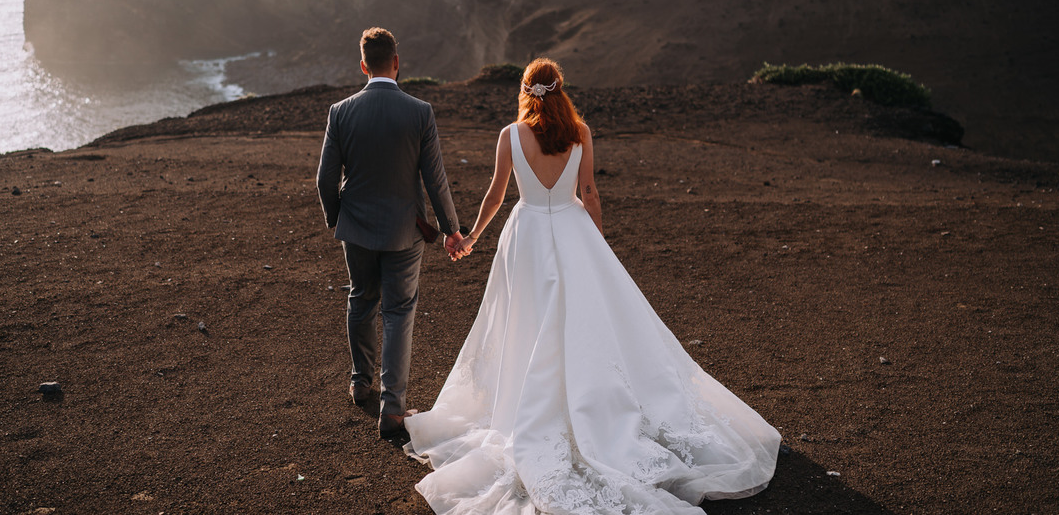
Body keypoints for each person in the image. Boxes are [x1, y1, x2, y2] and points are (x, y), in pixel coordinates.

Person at [405, 58, 780, 514]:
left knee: (524, 322)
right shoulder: (580, 133)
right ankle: (593, 404)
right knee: (584, 325)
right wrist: (596, 242)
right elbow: (589, 194)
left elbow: (497, 194)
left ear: (526, 92)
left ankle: (526, 401)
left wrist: (472, 238)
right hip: (572, 233)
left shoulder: (510, 135)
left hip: (526, 240)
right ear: (560, 90)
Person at [317, 27, 464, 438]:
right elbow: (435, 180)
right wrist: (452, 229)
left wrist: (338, 219)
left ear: (363, 66)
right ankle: (393, 410)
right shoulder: (419, 111)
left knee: (360, 299)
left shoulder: (340, 111)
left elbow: (324, 180)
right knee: (398, 313)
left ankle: (360, 382)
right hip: (404, 233)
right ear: (396, 63)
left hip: (357, 230)